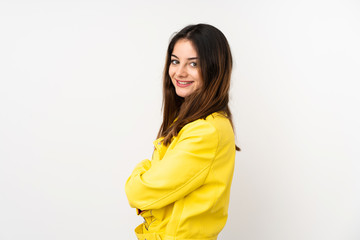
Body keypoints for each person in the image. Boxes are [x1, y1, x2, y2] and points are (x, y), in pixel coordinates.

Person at [125, 23, 240, 240]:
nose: (179, 72)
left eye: (193, 64)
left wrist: (142, 169)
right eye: (175, 61)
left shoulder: (206, 131)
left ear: (215, 68)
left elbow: (139, 193)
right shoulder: (192, 122)